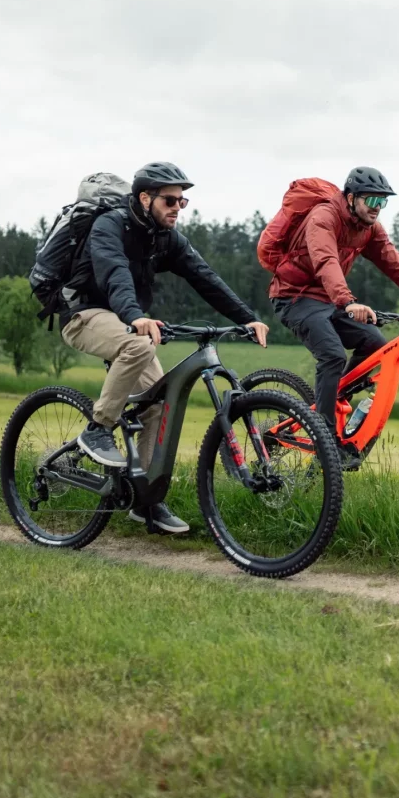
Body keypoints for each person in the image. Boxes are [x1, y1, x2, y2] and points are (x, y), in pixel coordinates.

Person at [61, 161, 269, 532]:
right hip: (85, 315)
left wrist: (246, 318)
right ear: (145, 198)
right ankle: (98, 429)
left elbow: (204, 276)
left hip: (127, 319)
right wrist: (134, 315)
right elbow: (114, 272)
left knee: (158, 400)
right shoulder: (109, 226)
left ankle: (146, 501)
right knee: (139, 346)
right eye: (170, 200)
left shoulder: (164, 237)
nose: (178, 207)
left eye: (182, 201)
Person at [266, 167, 399, 467]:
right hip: (295, 296)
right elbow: (325, 259)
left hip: (331, 299)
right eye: (372, 201)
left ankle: (332, 400)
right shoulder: (323, 217)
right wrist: (348, 300)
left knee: (375, 345)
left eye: (383, 202)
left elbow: (397, 266)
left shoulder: (370, 228)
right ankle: (324, 437)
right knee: (332, 354)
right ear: (351, 198)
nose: (377, 209)